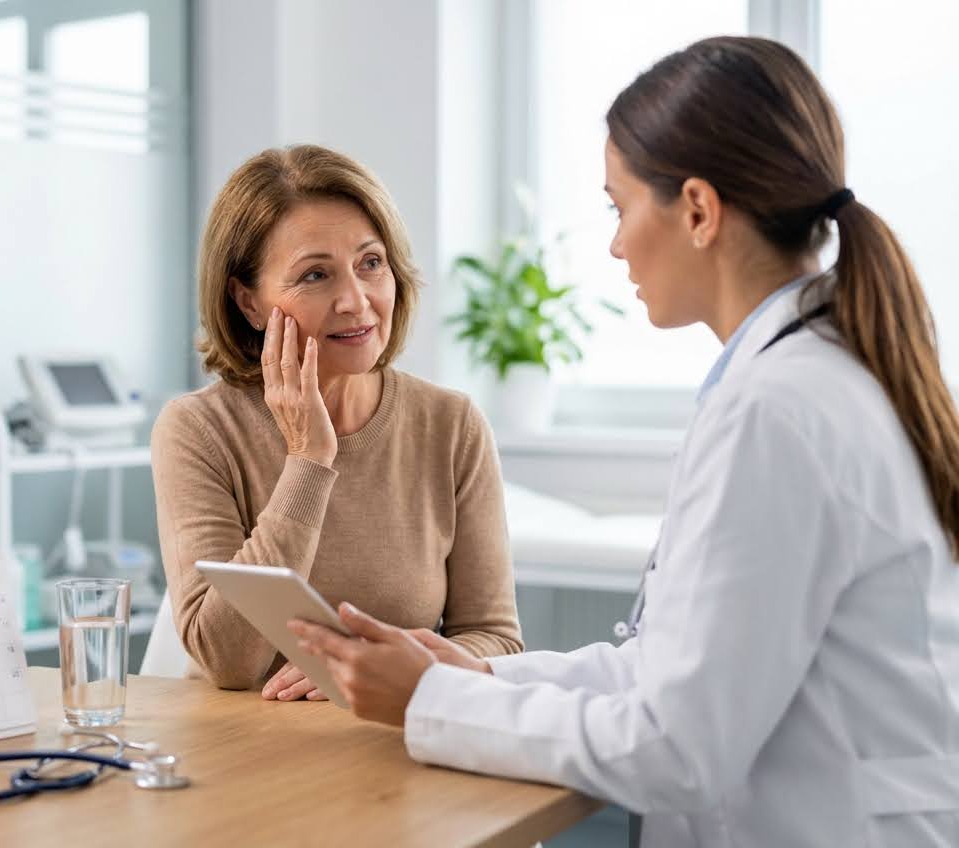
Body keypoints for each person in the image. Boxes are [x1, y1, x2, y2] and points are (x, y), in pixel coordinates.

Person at [291, 36, 959, 846]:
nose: (614, 244)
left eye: (619, 207)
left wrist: (427, 701)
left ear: (700, 211)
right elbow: (670, 667)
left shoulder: (778, 410)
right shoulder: (813, 376)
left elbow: (675, 746)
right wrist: (472, 672)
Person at [151, 144, 523, 699]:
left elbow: (495, 640)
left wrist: (389, 665)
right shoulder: (198, 430)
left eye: (371, 264)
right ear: (248, 302)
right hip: (242, 755)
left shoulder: (452, 424)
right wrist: (307, 460)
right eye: (316, 275)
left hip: (393, 745)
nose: (356, 300)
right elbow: (228, 660)